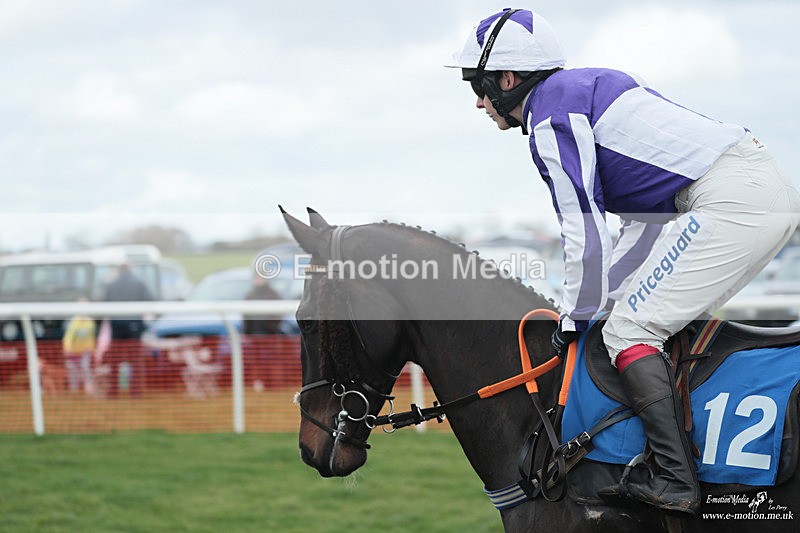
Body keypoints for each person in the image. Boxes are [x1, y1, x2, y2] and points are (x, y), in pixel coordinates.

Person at [447, 8, 800, 515]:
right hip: (755, 187)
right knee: (638, 319)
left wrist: (574, 317)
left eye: (478, 86)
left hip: (733, 201)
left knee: (630, 332)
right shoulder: (587, 88)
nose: (480, 102)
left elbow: (583, 230)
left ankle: (675, 479)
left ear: (508, 79)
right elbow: (641, 223)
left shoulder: (549, 115)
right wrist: (604, 300)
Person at [102, 263, 154, 397]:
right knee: (136, 359)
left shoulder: (111, 284)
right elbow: (150, 299)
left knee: (114, 359)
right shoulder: (138, 283)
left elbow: (104, 302)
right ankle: (136, 392)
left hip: (116, 325)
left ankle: (113, 392)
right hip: (134, 325)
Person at [62, 299, 97, 394]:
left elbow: (91, 337)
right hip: (73, 351)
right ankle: (74, 390)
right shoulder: (73, 322)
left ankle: (88, 388)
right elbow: (68, 337)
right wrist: (67, 348)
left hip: (85, 351)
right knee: (73, 371)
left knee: (85, 367)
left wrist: (92, 349)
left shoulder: (90, 322)